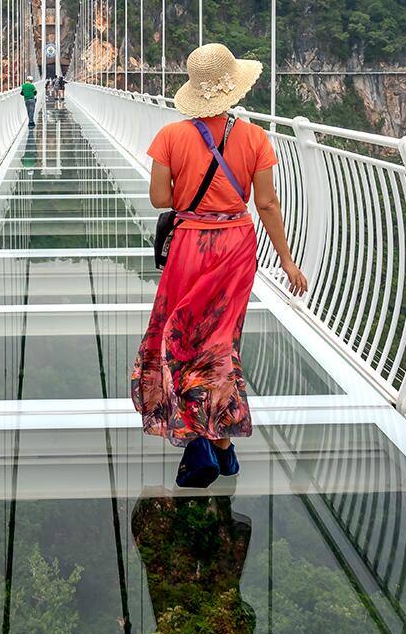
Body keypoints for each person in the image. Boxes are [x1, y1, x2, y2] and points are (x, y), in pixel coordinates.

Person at [132, 43, 309, 489]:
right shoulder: (254, 138)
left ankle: (205, 441)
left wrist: (189, 192)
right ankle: (222, 443)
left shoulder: (170, 137)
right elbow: (266, 203)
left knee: (179, 338)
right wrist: (287, 262)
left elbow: (159, 199)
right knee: (219, 342)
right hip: (236, 246)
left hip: (190, 244)